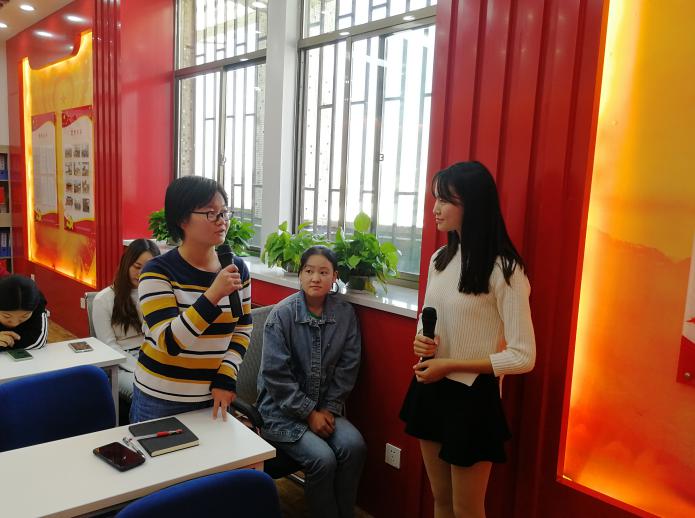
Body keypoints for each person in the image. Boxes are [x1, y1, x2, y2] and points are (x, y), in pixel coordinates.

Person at [399, 161, 536, 518]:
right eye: (436, 198)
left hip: (473, 398)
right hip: (432, 386)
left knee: (467, 508)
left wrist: (451, 365)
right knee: (441, 500)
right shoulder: (440, 259)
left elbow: (523, 356)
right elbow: (426, 316)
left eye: (446, 200)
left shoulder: (506, 270)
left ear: (473, 204)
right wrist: (421, 340)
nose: (435, 208)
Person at [130, 176, 252, 423]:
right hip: (161, 399)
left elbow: (243, 328)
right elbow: (169, 342)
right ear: (182, 219)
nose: (221, 221)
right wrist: (213, 295)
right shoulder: (157, 271)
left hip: (213, 396)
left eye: (224, 212)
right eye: (211, 213)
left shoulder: (236, 268)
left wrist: (226, 376)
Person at [257, 245, 365, 518]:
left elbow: (348, 368)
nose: (315, 278)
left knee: (354, 447)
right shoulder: (281, 315)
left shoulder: (345, 314)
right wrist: (309, 413)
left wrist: (327, 409)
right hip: (282, 413)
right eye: (309, 271)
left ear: (334, 277)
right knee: (322, 460)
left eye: (323, 272)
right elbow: (276, 377)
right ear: (300, 275)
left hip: (325, 408)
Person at [92, 239, 160, 400]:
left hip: (153, 355)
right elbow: (109, 345)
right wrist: (141, 368)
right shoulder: (104, 299)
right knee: (146, 393)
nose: (141, 273)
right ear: (126, 264)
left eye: (148, 268)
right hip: (121, 362)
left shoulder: (159, 294)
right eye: (137, 267)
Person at [0, 274, 49, 350]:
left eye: (24, 316)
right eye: (7, 316)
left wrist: (4, 344)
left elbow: (38, 341)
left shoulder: (37, 302)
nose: (14, 323)